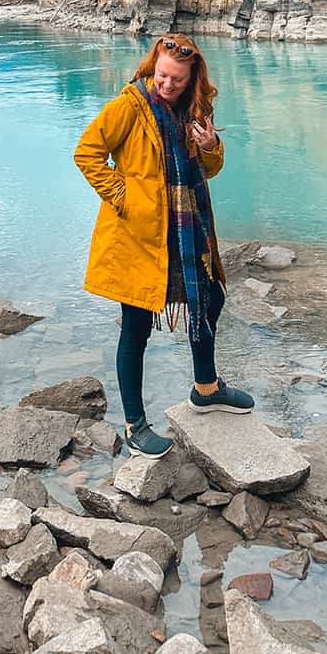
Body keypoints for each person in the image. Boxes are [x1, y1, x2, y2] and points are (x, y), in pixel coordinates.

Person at [74, 33, 254, 458]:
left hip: (187, 228)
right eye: (161, 75)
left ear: (192, 78)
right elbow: (87, 153)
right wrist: (124, 196)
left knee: (210, 300)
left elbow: (206, 169)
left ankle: (206, 389)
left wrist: (212, 147)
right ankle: (135, 426)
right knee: (135, 327)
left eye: (175, 79)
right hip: (140, 233)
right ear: (151, 67)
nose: (166, 85)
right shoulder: (129, 106)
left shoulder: (192, 108)